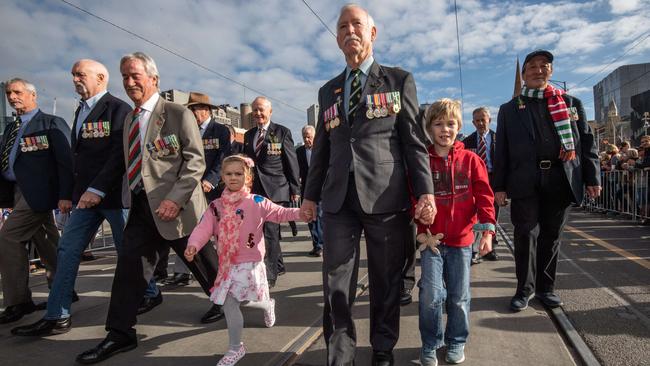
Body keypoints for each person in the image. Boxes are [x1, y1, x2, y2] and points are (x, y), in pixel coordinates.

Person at [300, 5, 436, 366]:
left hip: (386, 198)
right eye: (342, 26)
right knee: (336, 283)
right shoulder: (328, 91)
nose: (349, 31)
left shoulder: (398, 80)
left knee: (386, 280)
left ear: (372, 33)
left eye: (356, 24)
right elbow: (322, 151)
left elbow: (413, 142)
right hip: (338, 200)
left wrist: (426, 191)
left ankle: (382, 348)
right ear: (337, 38)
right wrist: (309, 196)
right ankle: (340, 355)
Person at [76, 52, 219, 364]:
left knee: (206, 266)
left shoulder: (177, 113)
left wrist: (174, 198)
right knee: (129, 269)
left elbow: (195, 162)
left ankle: (226, 302)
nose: (129, 82)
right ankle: (120, 333)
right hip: (142, 207)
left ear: (153, 78)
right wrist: (96, 190)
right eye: (124, 76)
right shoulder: (129, 119)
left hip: (180, 210)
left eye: (135, 75)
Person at [10, 59, 134, 336]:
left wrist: (97, 189)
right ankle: (57, 315)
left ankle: (148, 292)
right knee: (66, 251)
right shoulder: (81, 111)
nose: (75, 79)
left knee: (127, 254)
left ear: (101, 78)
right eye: (73, 75)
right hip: (84, 201)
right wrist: (70, 195)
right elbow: (74, 160)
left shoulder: (118, 108)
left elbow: (119, 156)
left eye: (81, 74)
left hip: (114, 199)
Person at [493, 49, 601, 312]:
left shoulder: (571, 103)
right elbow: (502, 150)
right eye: (532, 66)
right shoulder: (509, 109)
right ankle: (524, 289)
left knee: (551, 237)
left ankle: (546, 288)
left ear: (551, 71)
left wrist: (592, 177)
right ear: (524, 73)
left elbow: (587, 142)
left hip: (560, 177)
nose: (538, 70)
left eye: (544, 66)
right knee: (525, 234)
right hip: (524, 180)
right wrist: (499, 186)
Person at [184, 154, 304, 366]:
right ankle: (236, 348)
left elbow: (280, 213)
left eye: (238, 174)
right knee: (231, 302)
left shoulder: (256, 202)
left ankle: (267, 304)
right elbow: (203, 227)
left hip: (250, 264)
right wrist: (193, 244)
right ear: (222, 177)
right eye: (228, 174)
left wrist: (302, 213)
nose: (233, 177)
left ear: (248, 178)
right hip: (228, 264)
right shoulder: (216, 206)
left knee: (247, 301)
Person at [417, 98, 495, 366]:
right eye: (438, 124)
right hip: (431, 243)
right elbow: (410, 196)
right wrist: (418, 215)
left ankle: (456, 341)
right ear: (429, 128)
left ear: (459, 126)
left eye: (450, 124)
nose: (445, 129)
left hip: (462, 242)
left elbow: (485, 197)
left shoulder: (471, 160)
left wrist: (487, 232)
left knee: (459, 297)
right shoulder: (421, 162)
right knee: (430, 295)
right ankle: (430, 343)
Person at [0, 78, 73, 324]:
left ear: (32, 95)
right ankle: (64, 289)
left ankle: (18, 301)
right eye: (9, 93)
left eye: (18, 92)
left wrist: (66, 194)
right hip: (17, 191)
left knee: (8, 237)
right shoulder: (12, 128)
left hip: (40, 193)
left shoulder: (51, 122)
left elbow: (66, 161)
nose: (12, 97)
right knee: (46, 241)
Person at [243, 96, 300, 288]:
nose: (258, 114)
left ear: (270, 111)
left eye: (261, 110)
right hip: (256, 191)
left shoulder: (282, 132)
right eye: (255, 110)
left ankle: (270, 274)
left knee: (270, 232)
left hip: (277, 189)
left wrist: (295, 190)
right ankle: (280, 265)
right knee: (266, 231)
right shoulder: (249, 135)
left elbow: (291, 162)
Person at [463, 107, 500, 263]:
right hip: (475, 182)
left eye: (482, 120)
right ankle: (476, 248)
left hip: (494, 180)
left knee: (493, 214)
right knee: (476, 215)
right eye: (476, 120)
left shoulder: (500, 139)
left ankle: (490, 246)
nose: (480, 123)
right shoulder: (467, 141)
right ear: (473, 122)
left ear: (489, 120)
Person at [296, 125, 324, 257]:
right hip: (306, 189)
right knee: (309, 217)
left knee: (319, 216)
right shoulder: (299, 152)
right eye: (305, 137)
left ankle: (321, 245)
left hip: (322, 189)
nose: (307, 139)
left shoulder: (321, 148)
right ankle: (316, 244)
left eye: (309, 137)